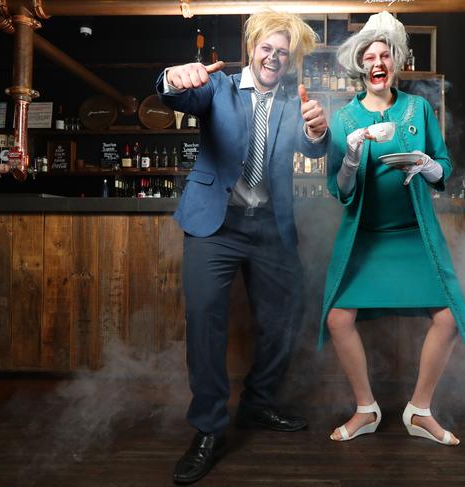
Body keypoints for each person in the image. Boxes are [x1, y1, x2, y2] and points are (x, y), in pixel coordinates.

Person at [156, 11, 328, 485]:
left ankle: (258, 404)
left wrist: (319, 130)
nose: (274, 57)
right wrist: (172, 77)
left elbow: (315, 149)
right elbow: (175, 92)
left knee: (284, 317)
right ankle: (209, 429)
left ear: (290, 58)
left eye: (283, 51)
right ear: (251, 47)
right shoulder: (219, 88)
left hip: (270, 227)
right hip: (215, 226)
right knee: (205, 322)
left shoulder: (295, 100)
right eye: (266, 48)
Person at [320, 11, 465, 446]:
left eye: (384, 54)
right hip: (366, 238)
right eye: (369, 56)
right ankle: (366, 409)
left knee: (447, 318)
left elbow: (444, 168)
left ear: (395, 63)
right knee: (337, 318)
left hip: (413, 234)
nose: (376, 61)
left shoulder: (418, 109)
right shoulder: (344, 119)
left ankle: (419, 410)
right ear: (360, 66)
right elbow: (339, 189)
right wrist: (350, 157)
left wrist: (426, 166)